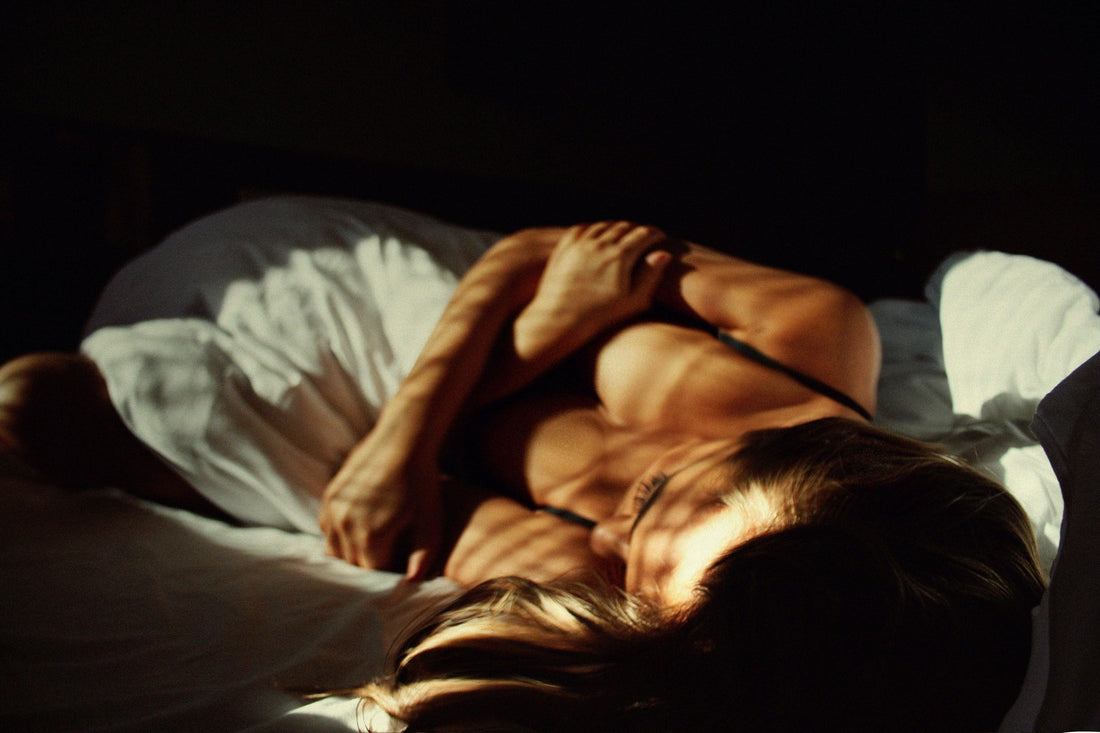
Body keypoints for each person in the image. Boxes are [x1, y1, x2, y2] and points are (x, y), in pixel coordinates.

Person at [0, 200, 1044, 730]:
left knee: (46, 408)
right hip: (407, 371)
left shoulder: (616, 582)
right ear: (795, 446)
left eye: (642, 575)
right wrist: (413, 430)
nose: (618, 539)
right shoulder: (810, 334)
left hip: (409, 433)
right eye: (656, 504)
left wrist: (547, 339)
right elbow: (528, 251)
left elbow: (415, 518)